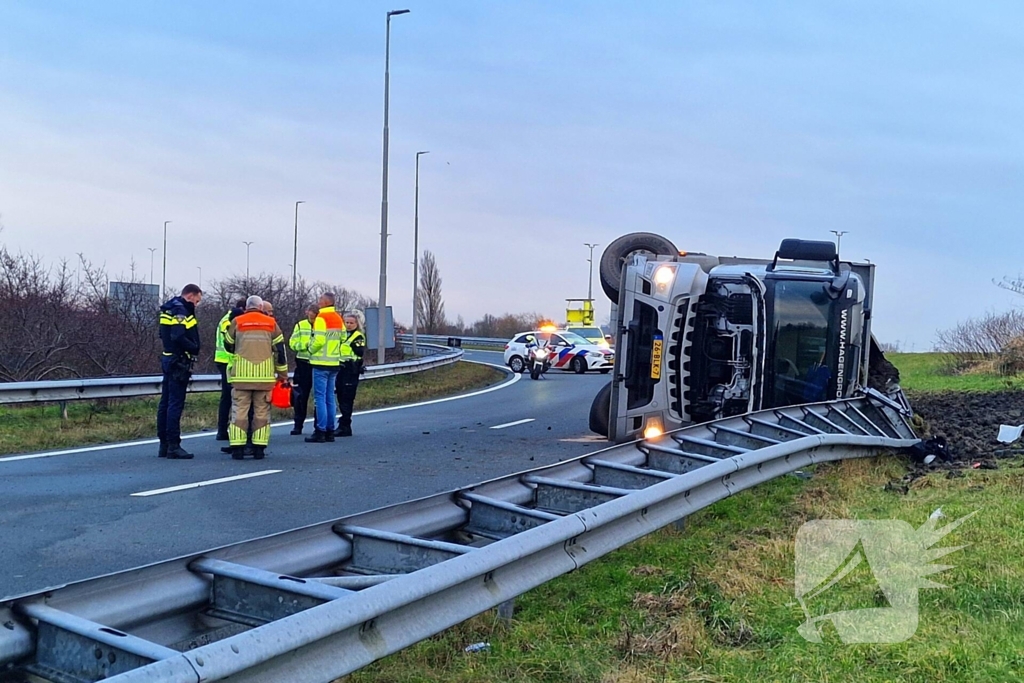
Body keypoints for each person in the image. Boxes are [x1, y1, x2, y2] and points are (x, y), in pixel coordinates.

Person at [223, 295, 288, 459]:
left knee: (239, 412)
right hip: (264, 378)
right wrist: (282, 375)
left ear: (246, 307)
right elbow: (280, 351)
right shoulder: (271, 324)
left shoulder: (238, 321)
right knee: (262, 412)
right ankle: (259, 448)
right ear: (261, 307)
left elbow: (228, 344)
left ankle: (237, 448)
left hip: (241, 377)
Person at [157, 283, 203, 459]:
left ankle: (164, 444)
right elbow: (178, 335)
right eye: (197, 300)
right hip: (178, 361)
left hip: (168, 358)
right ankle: (173, 445)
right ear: (190, 295)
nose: (196, 304)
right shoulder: (181, 310)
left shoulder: (168, 308)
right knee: (175, 403)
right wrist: (193, 348)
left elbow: (163, 335)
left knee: (165, 403)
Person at [306, 292, 343, 443]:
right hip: (334, 362)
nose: (318, 301)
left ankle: (320, 430)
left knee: (319, 398)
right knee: (329, 398)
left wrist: (310, 348)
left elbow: (319, 340)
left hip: (321, 362)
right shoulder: (338, 318)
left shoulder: (321, 318)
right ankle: (330, 430)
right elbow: (342, 338)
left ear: (325, 302)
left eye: (320, 299)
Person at [214, 299, 246, 442]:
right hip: (226, 360)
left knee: (229, 397)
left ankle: (226, 429)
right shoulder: (228, 320)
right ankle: (222, 430)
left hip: (228, 360)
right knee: (228, 396)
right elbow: (231, 340)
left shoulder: (229, 318)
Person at [335, 312, 367, 437]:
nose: (348, 325)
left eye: (351, 323)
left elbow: (359, 352)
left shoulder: (358, 337)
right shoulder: (342, 335)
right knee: (341, 396)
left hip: (351, 370)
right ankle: (343, 424)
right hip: (340, 369)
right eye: (346, 322)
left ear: (356, 324)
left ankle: (345, 425)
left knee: (347, 398)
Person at [289, 304, 319, 435]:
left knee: (319, 396)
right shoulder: (300, 325)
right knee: (301, 396)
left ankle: (319, 425)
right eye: (311, 314)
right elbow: (292, 343)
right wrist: (305, 346)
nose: (312, 317)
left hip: (318, 363)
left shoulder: (322, 325)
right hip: (303, 363)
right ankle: (298, 425)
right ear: (307, 312)